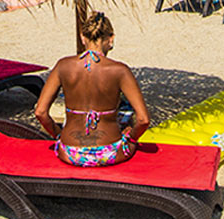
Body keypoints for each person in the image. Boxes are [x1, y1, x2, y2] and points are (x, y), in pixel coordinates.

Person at [33, 12, 152, 168]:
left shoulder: (63, 65)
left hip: (70, 151)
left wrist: (58, 135)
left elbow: (40, 112)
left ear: (83, 38)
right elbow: (143, 120)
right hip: (109, 152)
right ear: (111, 40)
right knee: (128, 135)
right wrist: (130, 138)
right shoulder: (120, 70)